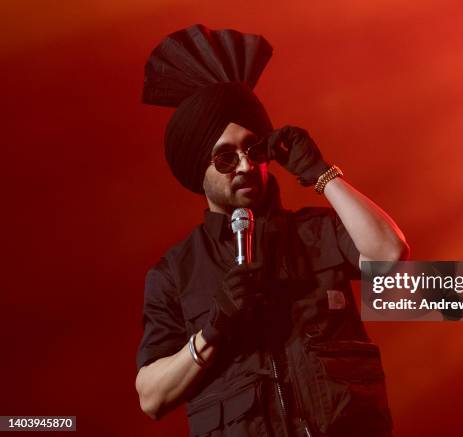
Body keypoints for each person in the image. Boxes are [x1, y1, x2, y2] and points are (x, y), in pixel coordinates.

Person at [135, 24, 409, 437]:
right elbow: (150, 397)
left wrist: (322, 174)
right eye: (226, 158)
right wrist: (212, 331)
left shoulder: (316, 233)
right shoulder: (176, 272)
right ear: (199, 171)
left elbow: (389, 255)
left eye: (253, 149)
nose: (246, 166)